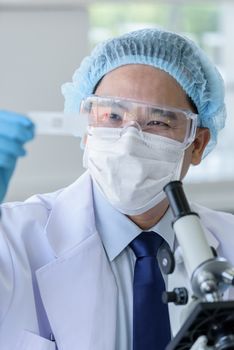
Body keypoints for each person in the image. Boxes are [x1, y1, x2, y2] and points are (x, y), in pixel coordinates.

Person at [0, 28, 234, 350]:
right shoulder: (11, 241)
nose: (129, 140)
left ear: (197, 144)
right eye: (112, 115)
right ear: (85, 129)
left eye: (158, 122)